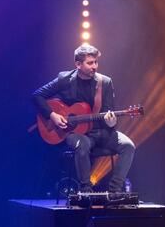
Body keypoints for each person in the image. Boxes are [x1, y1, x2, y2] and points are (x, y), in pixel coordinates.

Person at [33, 44, 135, 194]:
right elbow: (37, 95)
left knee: (128, 146)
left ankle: (115, 192)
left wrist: (111, 122)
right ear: (78, 64)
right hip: (75, 133)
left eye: (96, 62)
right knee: (83, 144)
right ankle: (86, 191)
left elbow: (109, 111)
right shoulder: (64, 79)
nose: (94, 66)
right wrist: (53, 115)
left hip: (101, 132)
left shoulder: (105, 82)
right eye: (90, 63)